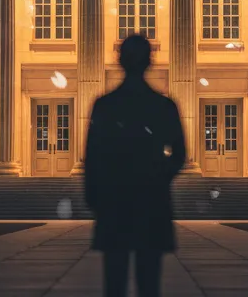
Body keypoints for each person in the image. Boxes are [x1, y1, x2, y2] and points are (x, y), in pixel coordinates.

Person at [84, 33, 186, 297]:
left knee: (114, 282)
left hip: (115, 201)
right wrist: (158, 178)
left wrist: (95, 198)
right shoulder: (163, 106)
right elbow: (179, 155)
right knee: (149, 282)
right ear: (150, 62)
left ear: (120, 61)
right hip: (151, 202)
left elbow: (93, 158)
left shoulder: (105, 106)